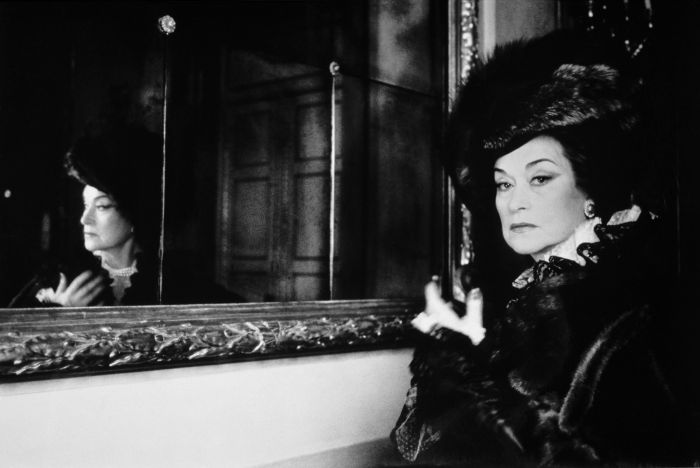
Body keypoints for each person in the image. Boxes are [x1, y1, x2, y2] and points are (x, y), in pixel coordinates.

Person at [390, 30, 697, 466]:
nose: (514, 202)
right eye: (503, 183)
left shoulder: (623, 314)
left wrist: (460, 371)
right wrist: (465, 349)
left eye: (540, 178)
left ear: (591, 189)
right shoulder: (526, 299)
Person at [9, 125, 162, 307]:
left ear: (134, 212)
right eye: (86, 205)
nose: (84, 219)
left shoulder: (166, 277)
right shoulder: (59, 278)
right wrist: (60, 311)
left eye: (102, 206)